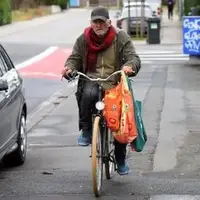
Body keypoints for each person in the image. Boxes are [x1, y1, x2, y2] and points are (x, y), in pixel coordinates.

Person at [61, 6, 141, 175]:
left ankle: (120, 159)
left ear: (109, 23)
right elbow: (74, 58)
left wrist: (129, 66)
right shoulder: (84, 38)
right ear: (91, 23)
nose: (98, 25)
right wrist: (69, 68)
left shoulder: (120, 37)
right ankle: (86, 130)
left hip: (114, 82)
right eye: (95, 22)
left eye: (101, 22)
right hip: (91, 79)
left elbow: (133, 57)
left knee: (119, 120)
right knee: (88, 94)